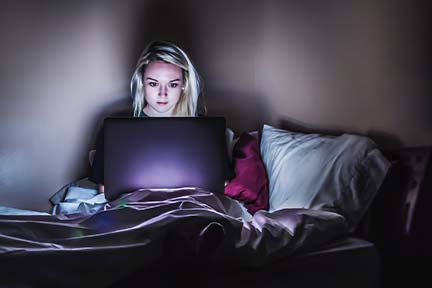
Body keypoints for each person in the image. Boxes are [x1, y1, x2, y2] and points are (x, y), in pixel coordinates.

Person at [89, 40, 233, 193]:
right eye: (153, 84)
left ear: (183, 85)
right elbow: (105, 188)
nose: (162, 94)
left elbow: (221, 183)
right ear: (141, 83)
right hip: (135, 209)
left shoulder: (205, 129)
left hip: (189, 207)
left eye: (172, 84)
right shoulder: (116, 130)